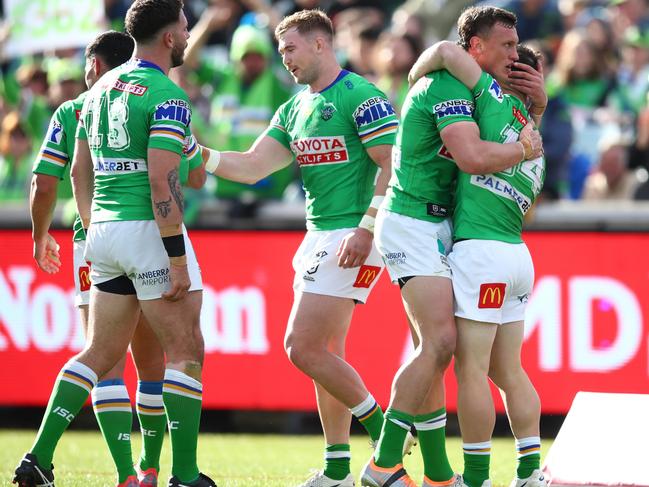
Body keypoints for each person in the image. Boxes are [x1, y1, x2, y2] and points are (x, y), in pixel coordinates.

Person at [200, 9, 404, 487]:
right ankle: (336, 468)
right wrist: (199, 154)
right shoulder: (294, 107)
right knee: (327, 352)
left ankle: (384, 433)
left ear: (319, 44)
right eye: (281, 50)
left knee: (301, 345)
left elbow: (391, 166)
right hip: (320, 234)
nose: (285, 59)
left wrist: (367, 228)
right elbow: (252, 166)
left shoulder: (361, 96)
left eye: (291, 48)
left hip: (351, 234)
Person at [15, 1, 215, 486]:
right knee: (184, 350)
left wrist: (94, 225)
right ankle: (184, 475)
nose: (187, 36)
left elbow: (78, 168)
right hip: (148, 230)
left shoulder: (97, 89)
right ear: (169, 37)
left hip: (101, 232)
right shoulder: (167, 94)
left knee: (98, 353)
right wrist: (174, 258)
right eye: (185, 28)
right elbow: (163, 178)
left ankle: (38, 459)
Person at [361, 6, 544, 487]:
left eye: (516, 51)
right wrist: (527, 141)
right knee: (443, 347)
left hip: (457, 237)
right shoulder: (452, 87)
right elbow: (471, 157)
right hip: (414, 223)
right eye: (505, 47)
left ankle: (443, 474)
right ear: (476, 48)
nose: (511, 56)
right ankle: (386, 462)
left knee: (438, 351)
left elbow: (485, 140)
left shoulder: (486, 100)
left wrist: (532, 110)